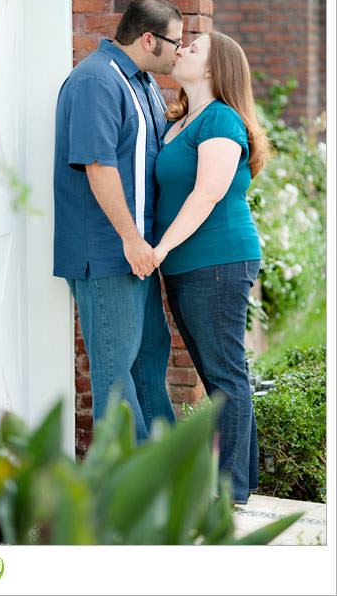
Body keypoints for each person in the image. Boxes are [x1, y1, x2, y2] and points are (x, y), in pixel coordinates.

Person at [53, 0, 182, 442]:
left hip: (140, 253)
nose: (179, 51)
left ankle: (169, 472)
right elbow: (98, 166)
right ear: (149, 39)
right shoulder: (95, 80)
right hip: (109, 253)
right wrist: (130, 238)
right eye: (175, 42)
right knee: (114, 374)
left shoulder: (141, 81)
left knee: (149, 358)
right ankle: (134, 498)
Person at [153, 30, 270, 504]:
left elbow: (207, 193)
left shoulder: (220, 119)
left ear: (211, 69)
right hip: (189, 264)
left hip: (219, 260)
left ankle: (228, 492)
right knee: (219, 373)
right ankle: (241, 482)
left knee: (224, 374)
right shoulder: (183, 120)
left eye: (193, 48)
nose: (181, 49)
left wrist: (158, 249)